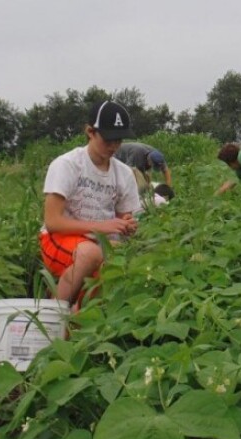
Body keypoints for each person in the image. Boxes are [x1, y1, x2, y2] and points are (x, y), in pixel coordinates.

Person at [38, 101, 142, 305]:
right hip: (60, 238)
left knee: (119, 263)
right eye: (108, 139)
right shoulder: (68, 165)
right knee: (90, 253)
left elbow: (124, 218)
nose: (114, 146)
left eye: (118, 140)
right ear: (90, 132)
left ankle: (78, 318)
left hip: (102, 243)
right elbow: (52, 222)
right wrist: (101, 228)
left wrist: (127, 225)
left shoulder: (124, 173)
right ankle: (54, 312)